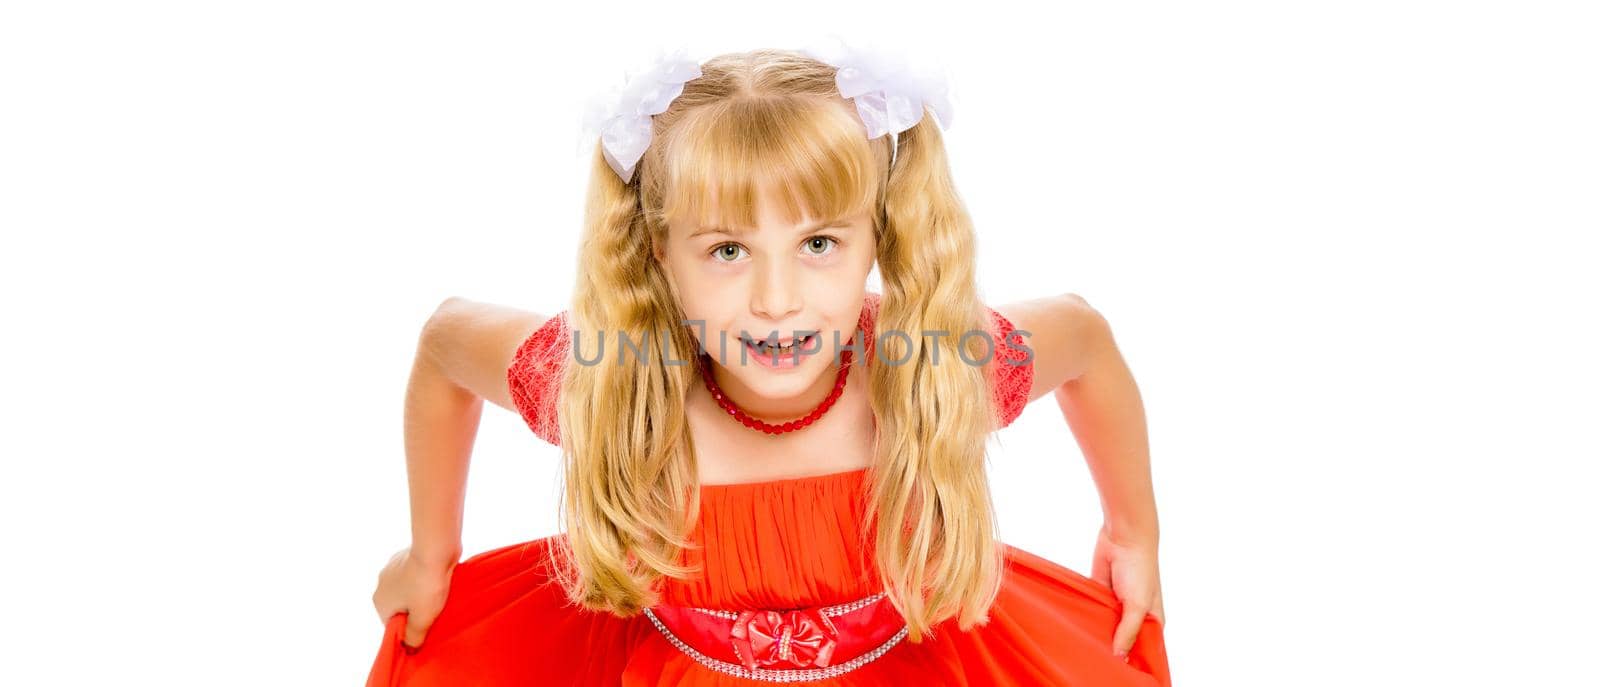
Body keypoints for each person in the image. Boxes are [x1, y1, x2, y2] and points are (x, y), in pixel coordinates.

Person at [367, 44, 1170, 685]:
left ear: (875, 238)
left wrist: (1133, 533)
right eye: (726, 250)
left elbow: (1085, 338)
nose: (777, 299)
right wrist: (429, 554)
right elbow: (444, 345)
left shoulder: (930, 367)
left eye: (818, 243)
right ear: (658, 252)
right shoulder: (619, 382)